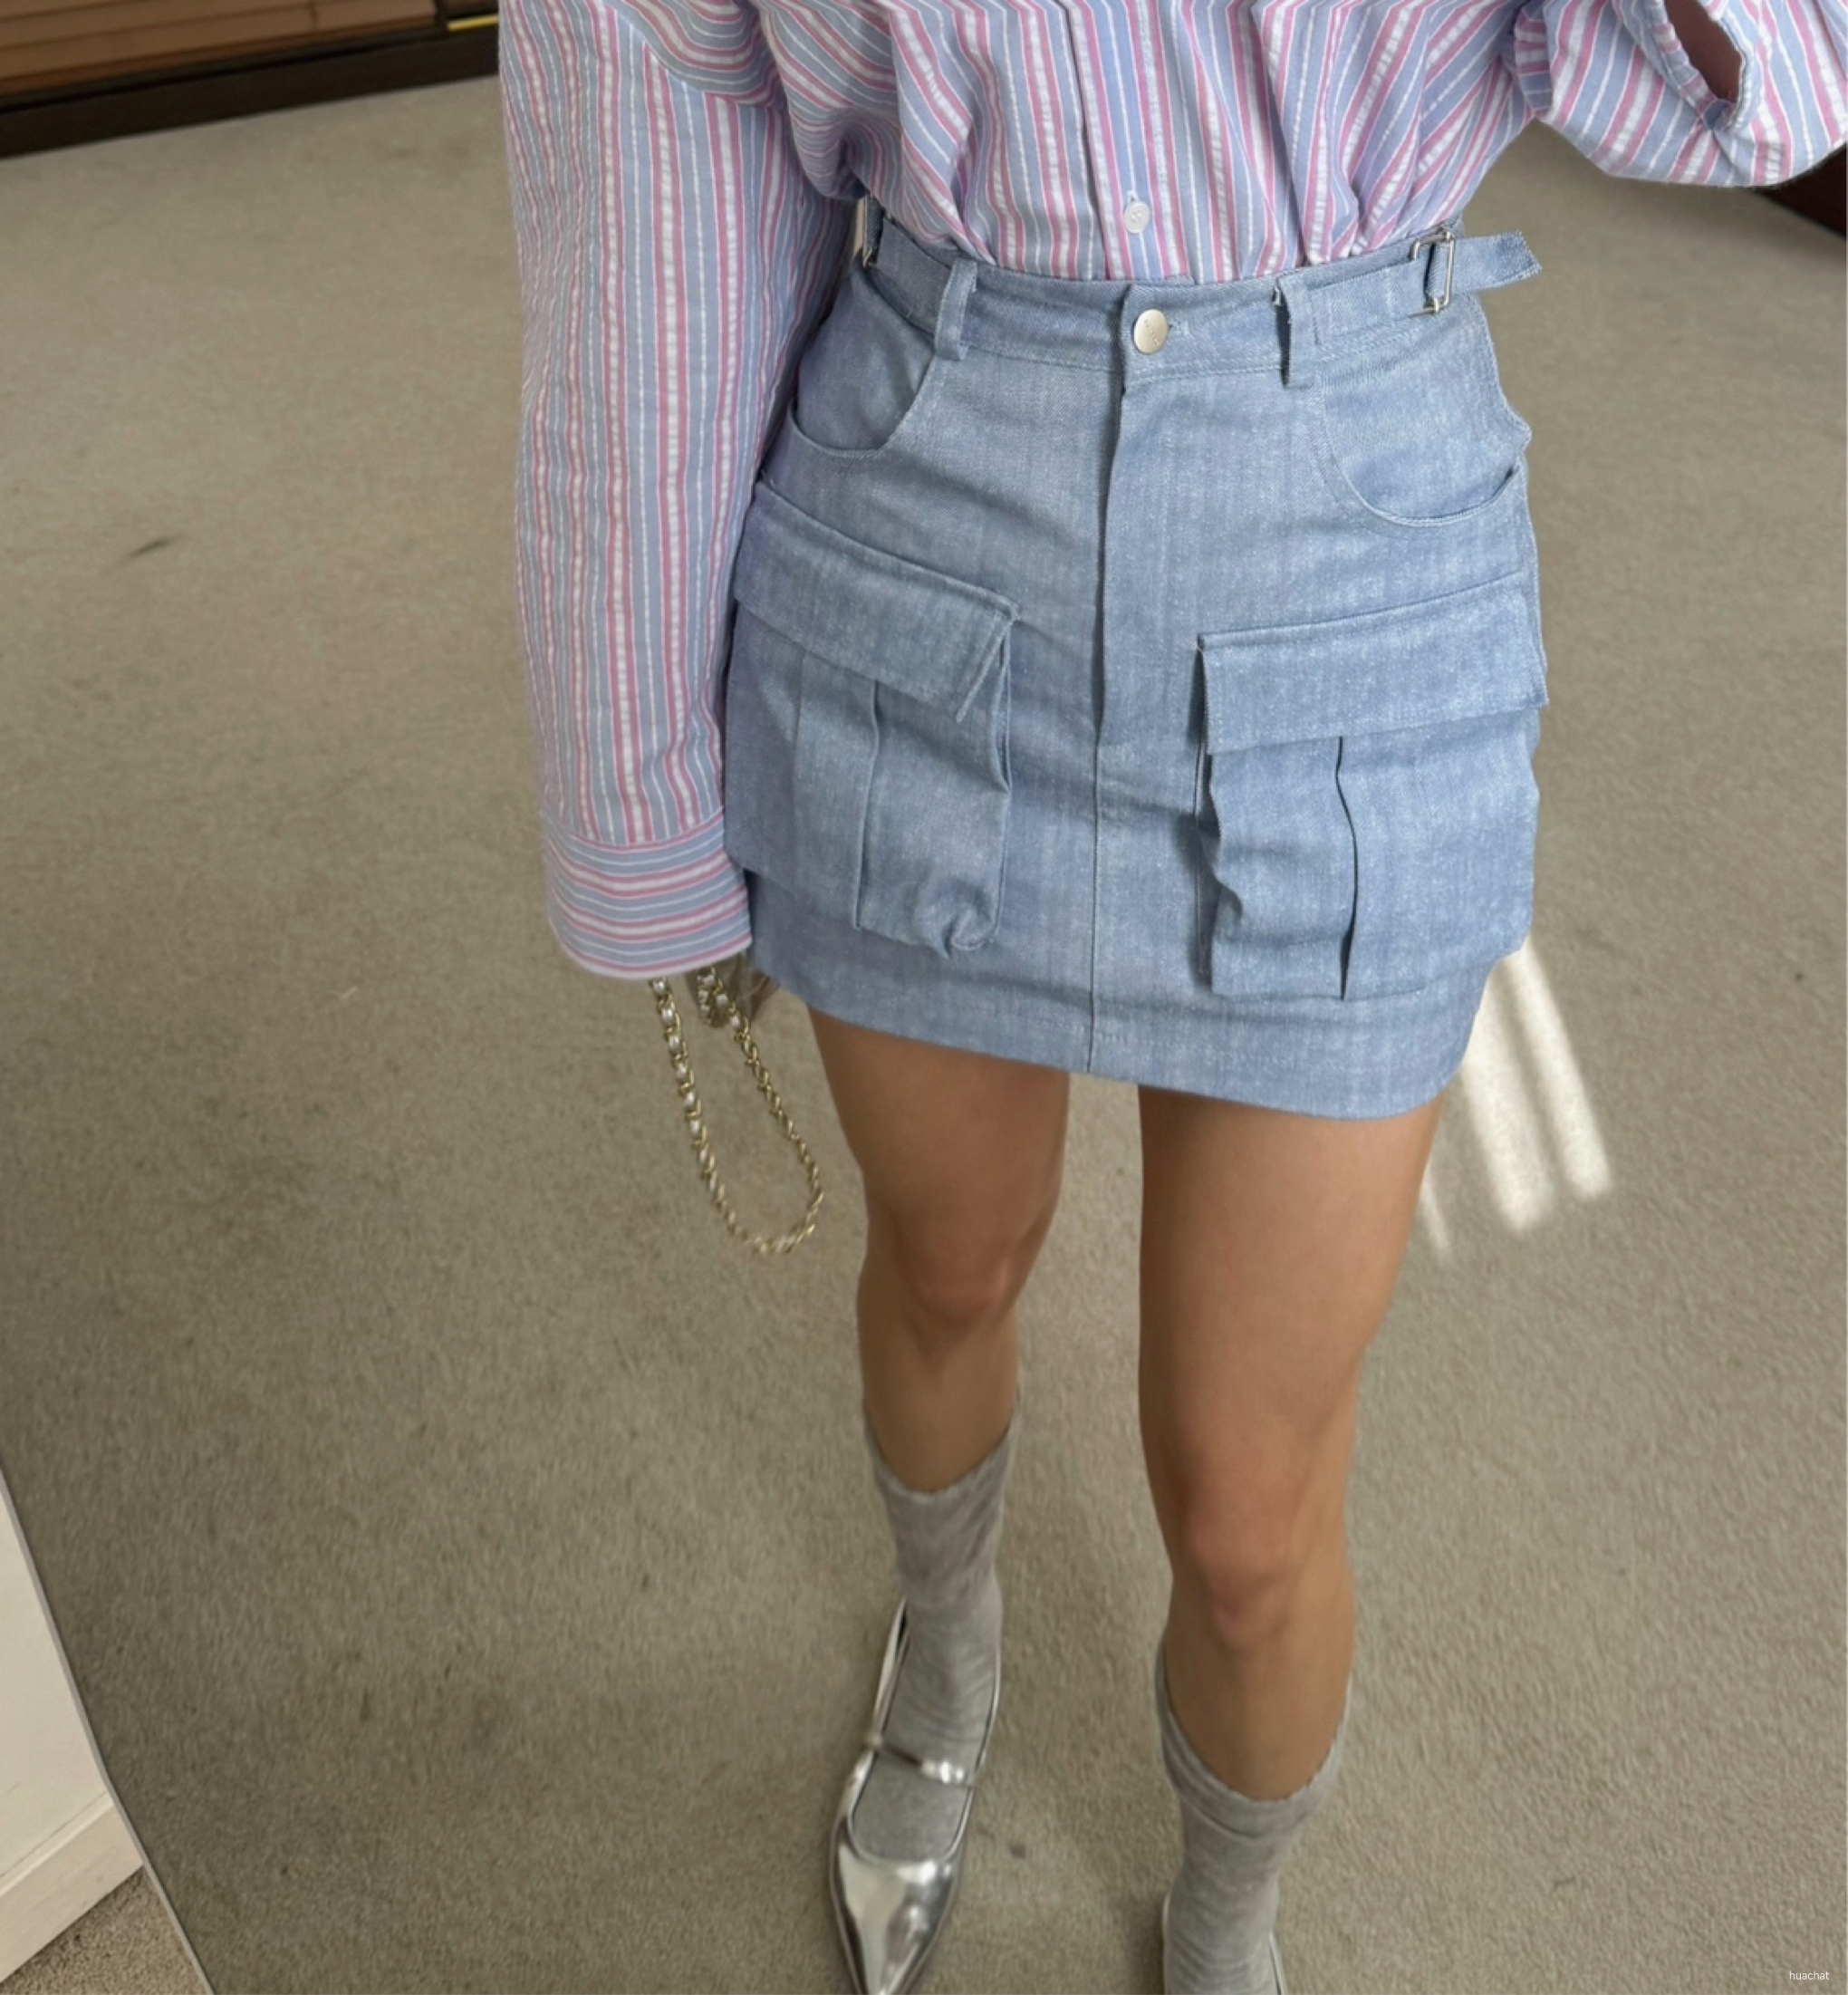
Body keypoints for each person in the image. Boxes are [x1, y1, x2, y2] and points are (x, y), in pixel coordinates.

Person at [495, 5, 1843, 1990]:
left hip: (1356, 558)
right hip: (919, 520)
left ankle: (1229, 1904)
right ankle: (948, 1647)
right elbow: (651, 196)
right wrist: (645, 804)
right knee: (945, 1262)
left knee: (1248, 1506)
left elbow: (1753, 94)